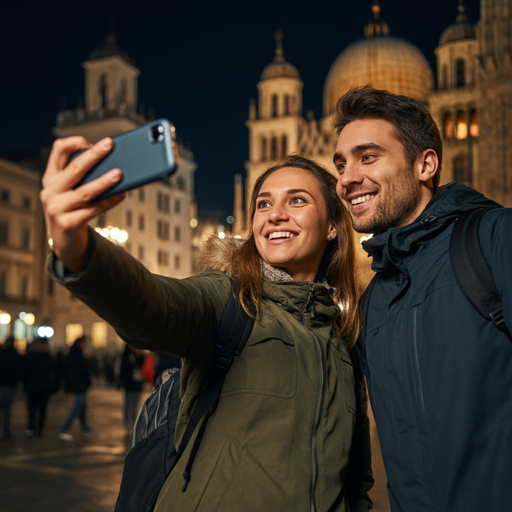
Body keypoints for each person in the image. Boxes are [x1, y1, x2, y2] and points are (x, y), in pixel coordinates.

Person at [40, 134, 373, 511]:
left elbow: (355, 479)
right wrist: (78, 250)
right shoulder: (228, 299)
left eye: (297, 199)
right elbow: (154, 305)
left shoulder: (342, 342)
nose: (275, 214)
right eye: (263, 204)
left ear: (332, 225)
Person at [333, 85, 512, 512]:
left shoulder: (494, 239)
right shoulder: (375, 300)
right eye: (340, 163)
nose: (346, 178)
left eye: (368, 156)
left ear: (425, 164)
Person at [59, 335, 93, 441]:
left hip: (78, 385)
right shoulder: (76, 355)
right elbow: (81, 370)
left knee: (81, 407)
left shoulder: (75, 354)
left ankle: (85, 429)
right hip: (78, 385)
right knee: (78, 407)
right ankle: (64, 429)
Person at [22, 336, 56, 437]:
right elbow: (53, 371)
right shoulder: (48, 356)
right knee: (42, 409)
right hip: (45, 387)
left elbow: (25, 372)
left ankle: (31, 427)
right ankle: (40, 429)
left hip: (32, 386)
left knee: (31, 408)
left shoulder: (30, 355)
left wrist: (24, 385)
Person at [0, 336, 23, 438]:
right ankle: (6, 430)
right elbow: (19, 371)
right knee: (7, 409)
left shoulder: (1, 353)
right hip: (11, 384)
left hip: (2, 383)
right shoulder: (16, 355)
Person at [119, 345, 145, 432]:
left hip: (136, 384)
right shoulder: (126, 356)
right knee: (128, 403)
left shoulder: (139, 356)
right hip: (130, 384)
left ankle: (133, 421)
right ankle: (127, 421)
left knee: (134, 404)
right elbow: (122, 370)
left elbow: (143, 366)